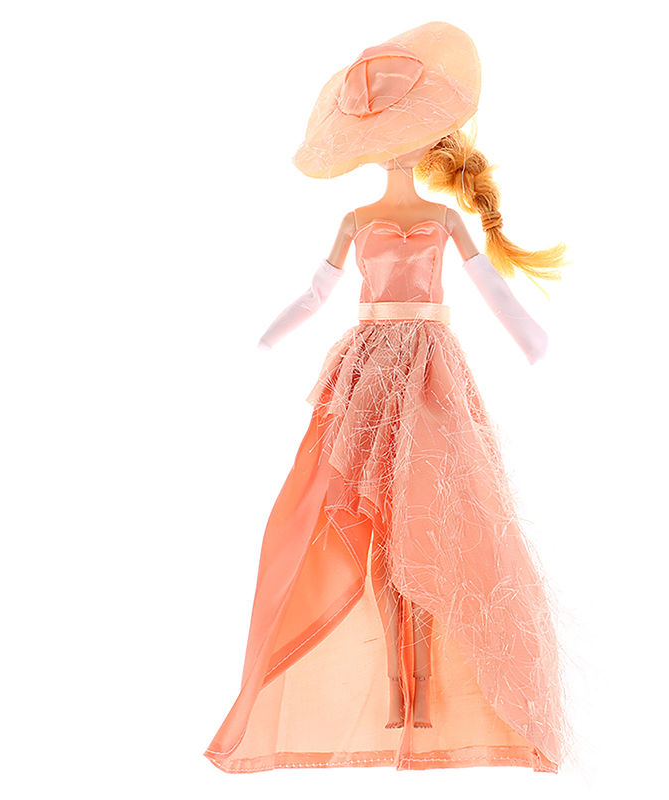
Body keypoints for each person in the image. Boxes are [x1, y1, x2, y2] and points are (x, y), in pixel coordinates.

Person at [204, 21, 571, 774]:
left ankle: (424, 687)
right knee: (372, 518)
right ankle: (401, 688)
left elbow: (489, 289)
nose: (398, 147)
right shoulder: (356, 221)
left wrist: (534, 340)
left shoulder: (442, 220)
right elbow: (316, 294)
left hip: (430, 373)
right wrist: (261, 340)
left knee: (431, 520)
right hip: (370, 373)